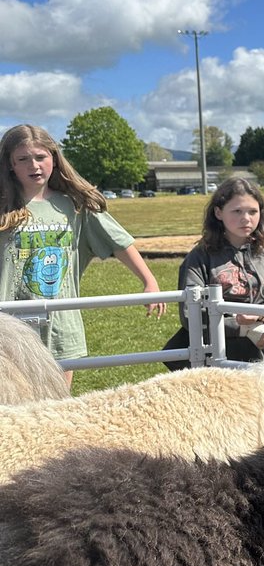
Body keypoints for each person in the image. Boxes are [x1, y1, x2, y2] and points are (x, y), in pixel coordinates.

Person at [0, 124, 166, 387]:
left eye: (41, 157)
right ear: (10, 164)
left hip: (60, 324)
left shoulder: (75, 206)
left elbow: (119, 242)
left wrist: (149, 281)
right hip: (9, 327)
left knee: (58, 405)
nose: (34, 165)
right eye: (23, 159)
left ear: (53, 158)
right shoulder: (4, 208)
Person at [170, 178, 264, 367]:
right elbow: (190, 314)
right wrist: (243, 328)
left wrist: (261, 319)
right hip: (210, 362)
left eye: (253, 211)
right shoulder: (199, 257)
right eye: (237, 211)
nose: (246, 218)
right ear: (218, 212)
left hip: (256, 362)